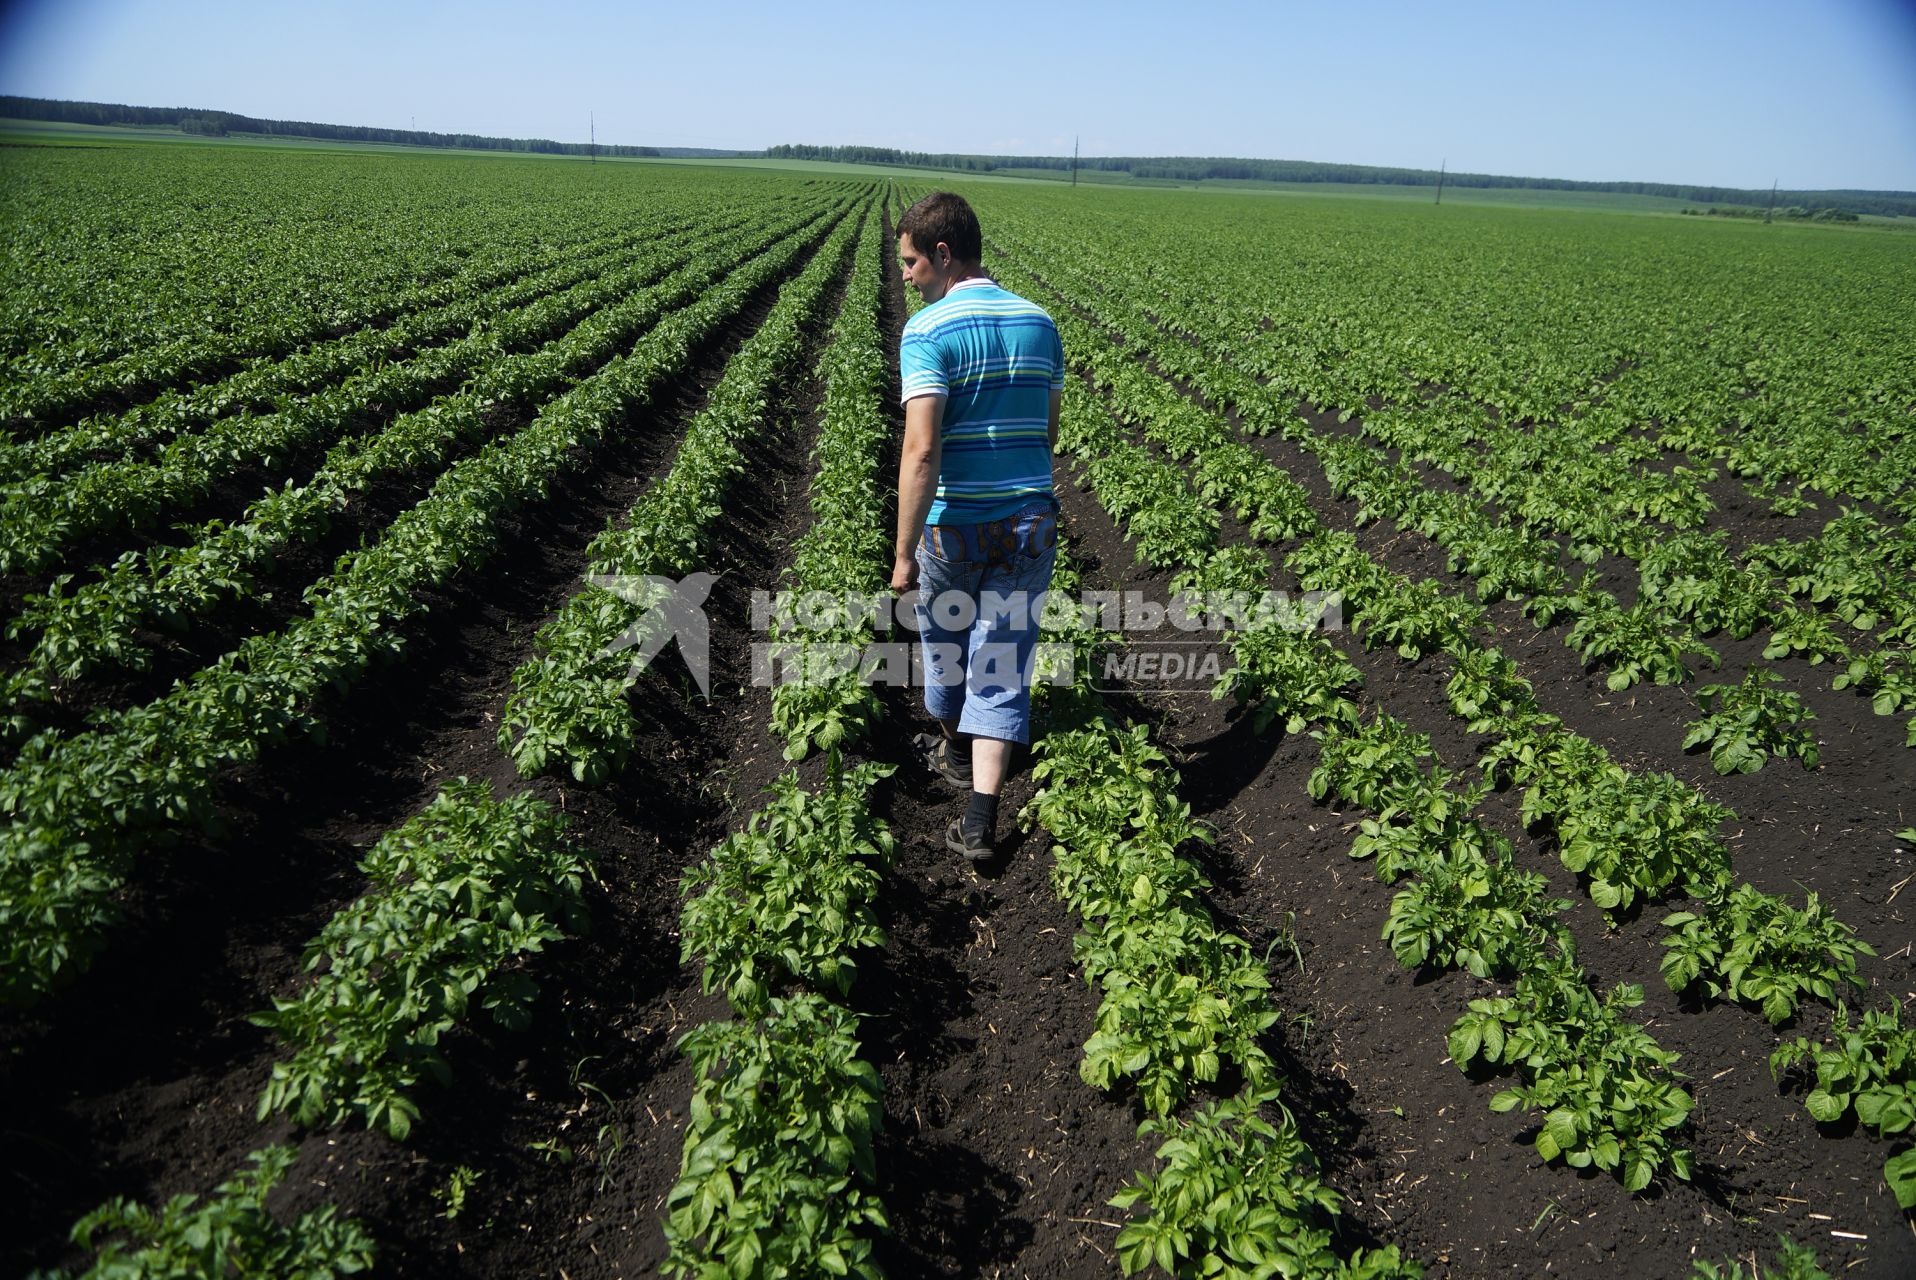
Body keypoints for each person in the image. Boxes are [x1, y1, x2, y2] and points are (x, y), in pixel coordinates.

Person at [891, 192, 1064, 863]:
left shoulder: (929, 332)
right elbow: (1048, 431)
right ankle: (980, 820)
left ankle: (957, 750)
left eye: (910, 262)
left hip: (956, 522)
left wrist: (904, 553)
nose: (905, 275)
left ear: (942, 253)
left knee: (945, 646)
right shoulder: (1040, 323)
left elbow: (922, 450)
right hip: (1028, 519)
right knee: (1003, 659)